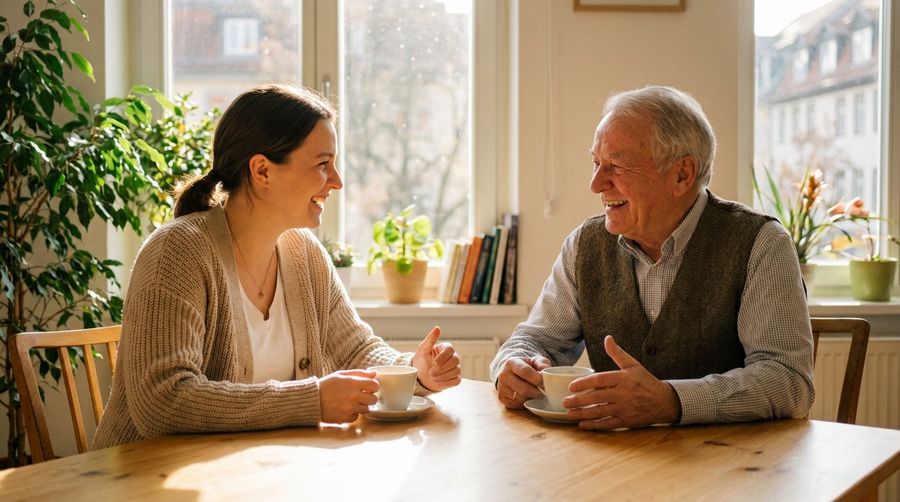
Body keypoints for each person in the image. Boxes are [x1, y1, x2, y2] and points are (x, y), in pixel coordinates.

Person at [94, 84, 461, 449]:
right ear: (262, 171)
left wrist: (415, 371)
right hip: (145, 482)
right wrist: (312, 400)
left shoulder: (304, 254)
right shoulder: (178, 252)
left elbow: (356, 351)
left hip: (250, 476)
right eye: (322, 164)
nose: (337, 181)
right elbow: (164, 401)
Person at [490, 85, 814, 430]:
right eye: (596, 163)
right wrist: (512, 366)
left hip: (732, 469)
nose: (596, 183)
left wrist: (671, 401)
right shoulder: (585, 245)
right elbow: (535, 340)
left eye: (616, 165)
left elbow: (788, 381)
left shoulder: (760, 244)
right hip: (616, 465)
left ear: (682, 174)